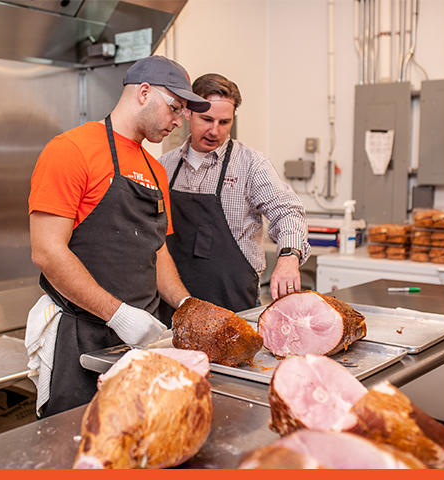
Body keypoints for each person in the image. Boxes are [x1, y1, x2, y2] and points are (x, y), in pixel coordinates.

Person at [27, 56, 211, 418]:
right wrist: (120, 316)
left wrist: (186, 304)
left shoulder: (154, 169)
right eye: (175, 108)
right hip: (83, 336)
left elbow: (156, 251)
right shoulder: (71, 150)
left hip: (141, 338)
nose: (178, 122)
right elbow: (47, 253)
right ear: (144, 92)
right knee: (78, 443)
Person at [157, 73, 311, 318]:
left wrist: (289, 256)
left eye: (224, 122)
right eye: (206, 119)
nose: (215, 131)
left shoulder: (251, 165)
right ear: (188, 113)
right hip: (173, 307)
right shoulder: (164, 166)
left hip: (234, 306)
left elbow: (288, 211)